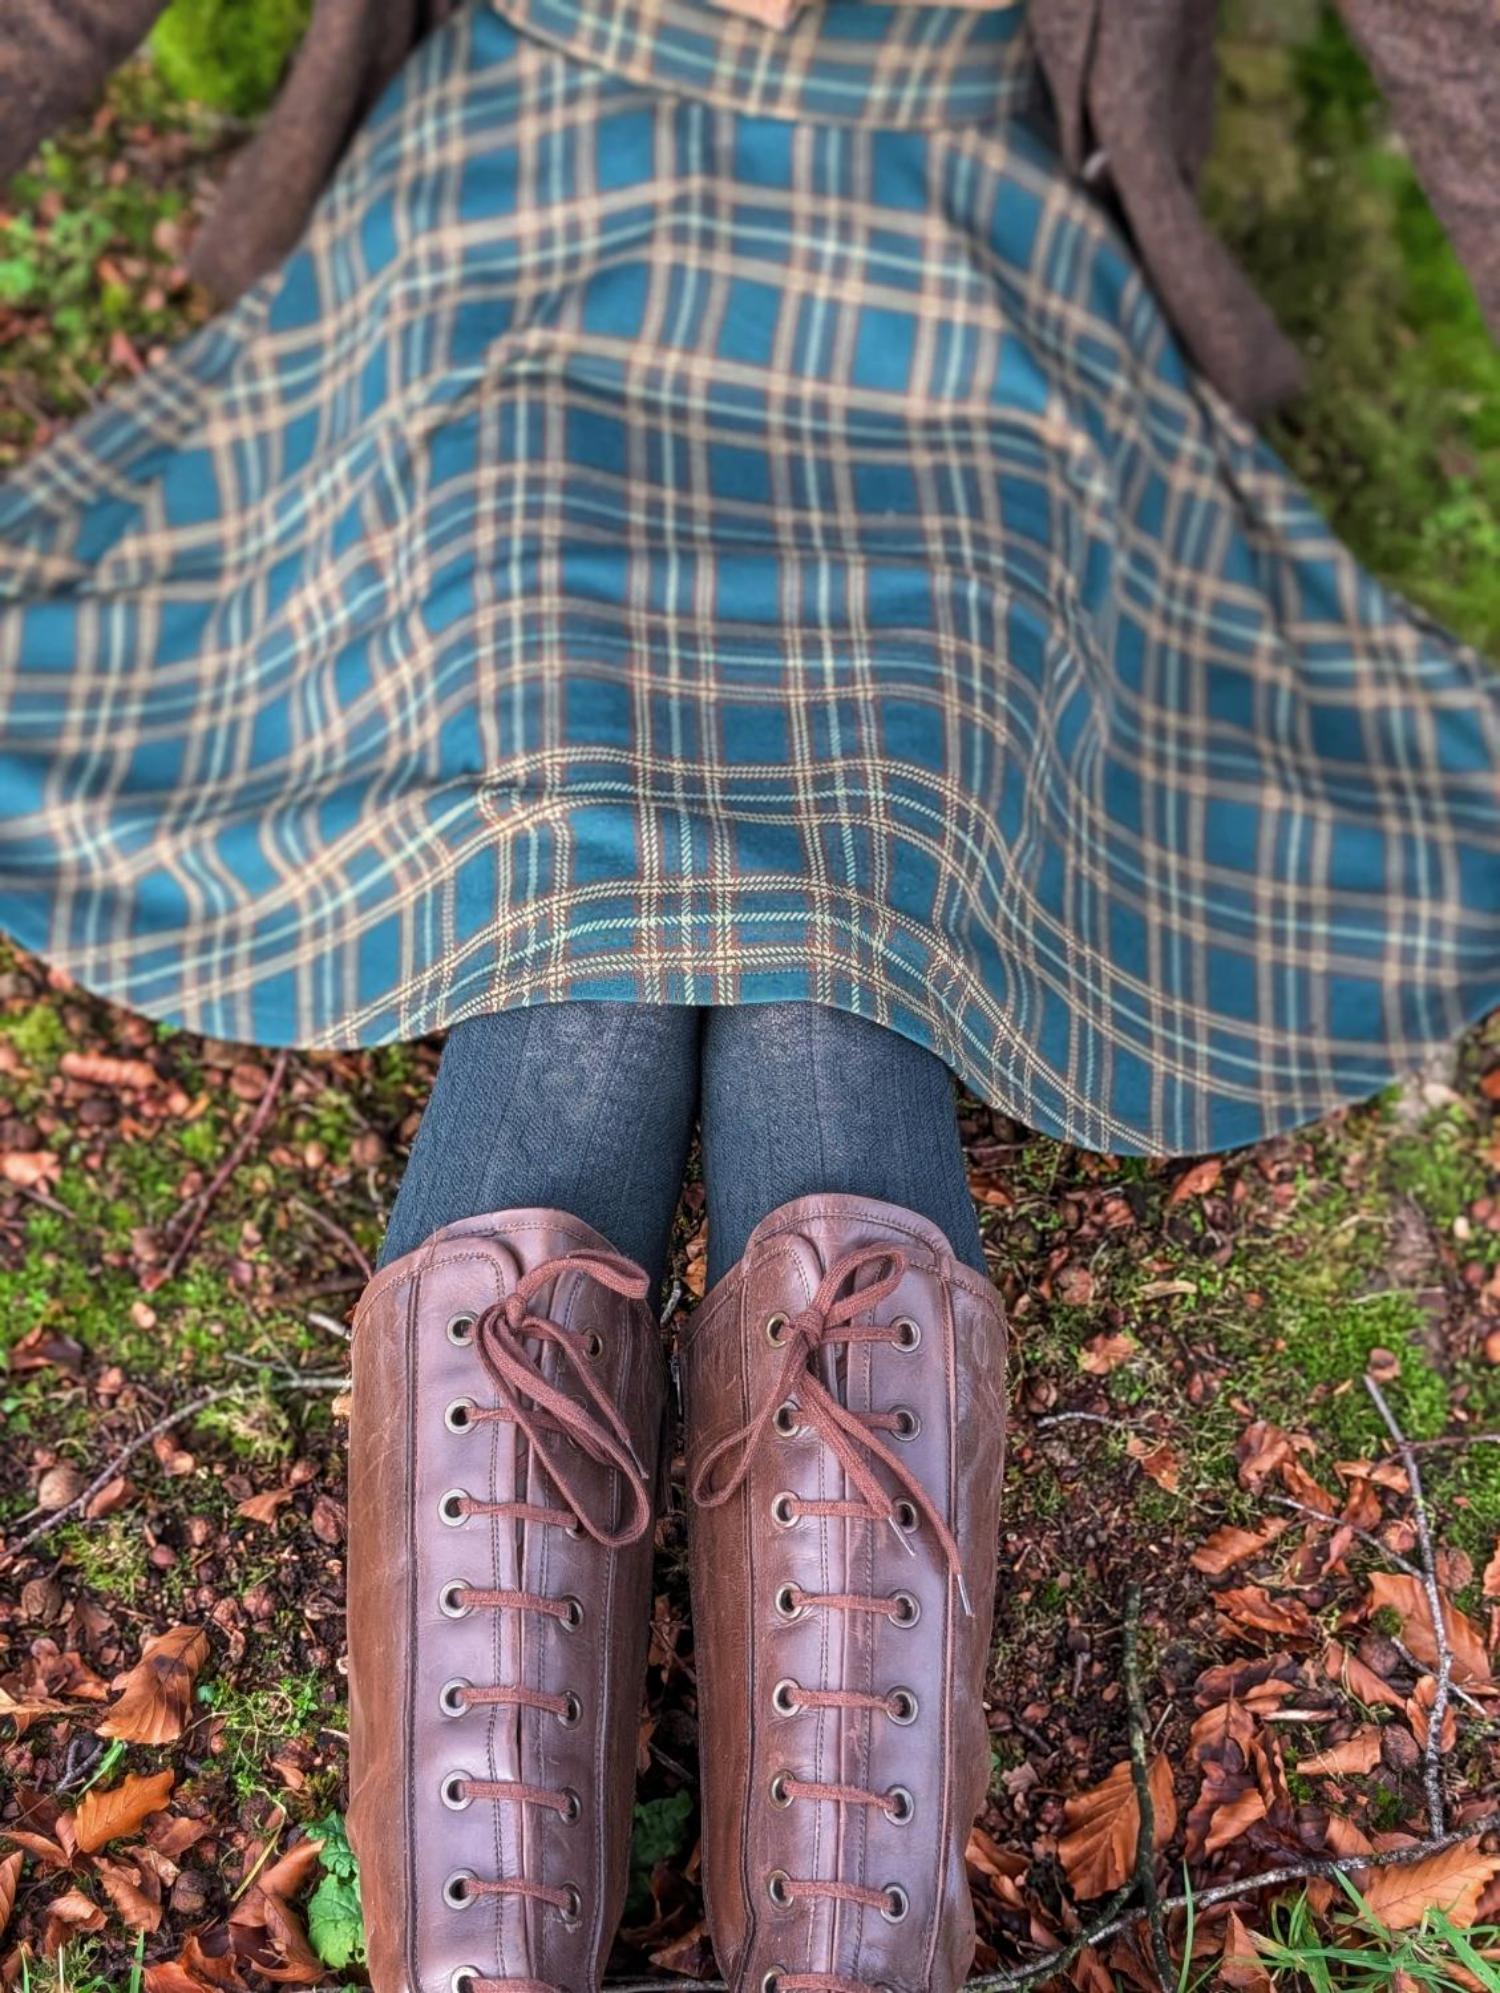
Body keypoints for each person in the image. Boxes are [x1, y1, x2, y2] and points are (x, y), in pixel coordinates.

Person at [1, 2, 1497, 1990]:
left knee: (887, 798)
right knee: (563, 790)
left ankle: (826, 1935)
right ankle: (498, 1931)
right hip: (533, 182)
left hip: (948, 221)